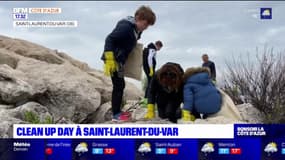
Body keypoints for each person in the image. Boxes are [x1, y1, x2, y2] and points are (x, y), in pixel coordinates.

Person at [101, 6, 156, 122]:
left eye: (148, 26)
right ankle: (115, 115)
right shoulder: (126, 27)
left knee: (120, 85)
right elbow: (110, 39)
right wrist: (109, 58)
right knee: (119, 85)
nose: (146, 28)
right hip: (113, 60)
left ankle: (117, 111)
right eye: (145, 24)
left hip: (119, 60)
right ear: (138, 18)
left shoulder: (136, 30)